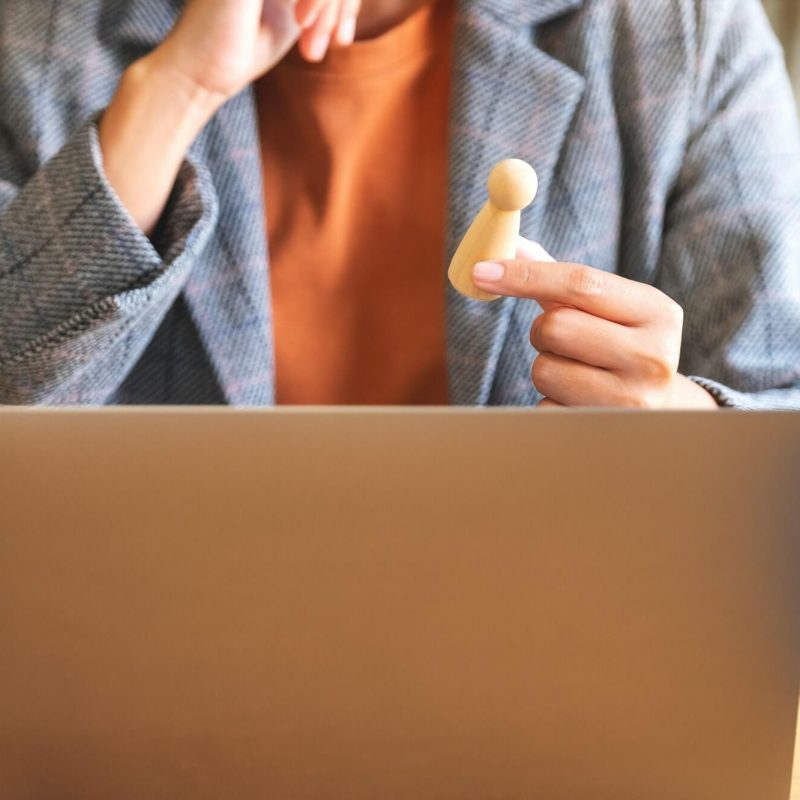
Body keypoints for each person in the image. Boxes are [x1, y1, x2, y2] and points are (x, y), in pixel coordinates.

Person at [0, 0, 797, 408]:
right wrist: (175, 87)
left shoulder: (682, 33)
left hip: (547, 669)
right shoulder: (43, 38)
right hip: (156, 682)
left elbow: (778, 402)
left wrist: (686, 421)